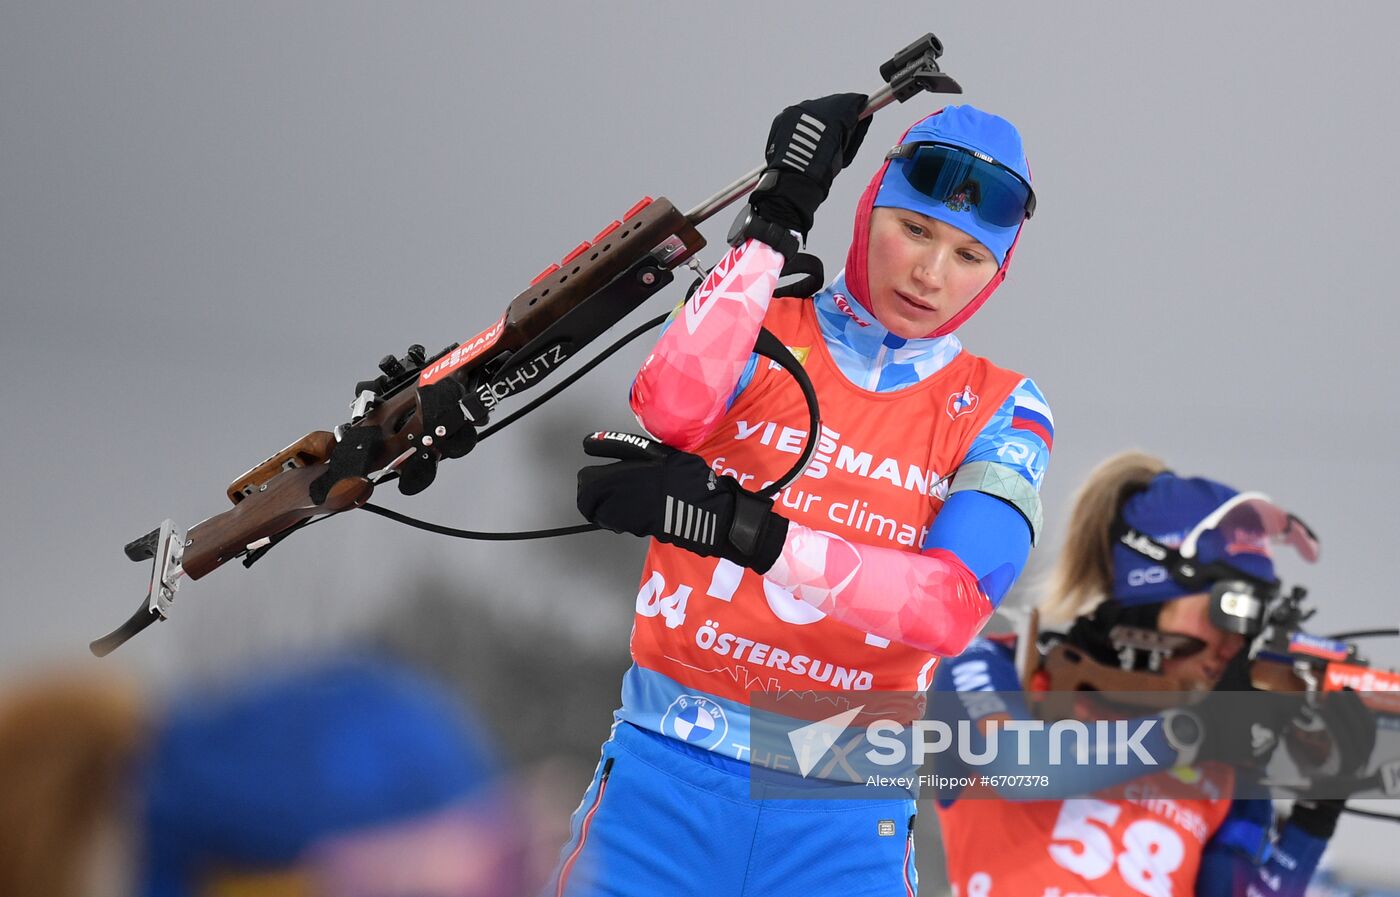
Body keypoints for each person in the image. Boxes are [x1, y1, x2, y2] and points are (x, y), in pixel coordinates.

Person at [559, 95, 1051, 894]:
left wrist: (749, 532)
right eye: (916, 230)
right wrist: (773, 221)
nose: (931, 274)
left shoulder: (1002, 407)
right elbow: (670, 405)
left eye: (969, 254)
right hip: (665, 774)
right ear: (868, 214)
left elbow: (949, 605)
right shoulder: (761, 321)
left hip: (842, 811)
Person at [933, 451, 1371, 897]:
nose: (1236, 640)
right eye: (1228, 608)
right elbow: (1016, 764)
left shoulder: (1228, 759)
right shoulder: (1000, 664)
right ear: (1154, 585)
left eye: (1255, 620)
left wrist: (1316, 815)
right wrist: (1198, 730)